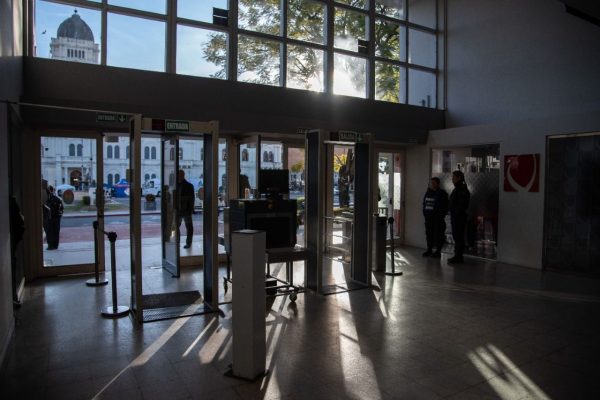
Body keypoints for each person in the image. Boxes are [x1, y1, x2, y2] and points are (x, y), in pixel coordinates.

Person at [422, 177, 448, 258]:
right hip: (428, 219)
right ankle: (429, 250)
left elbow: (446, 206)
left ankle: (438, 252)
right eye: (431, 183)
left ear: (438, 184)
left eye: (434, 183)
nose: (432, 184)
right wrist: (425, 214)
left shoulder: (442, 193)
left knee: (438, 235)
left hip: (438, 219)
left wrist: (440, 215)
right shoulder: (428, 193)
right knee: (429, 235)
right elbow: (424, 204)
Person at [448, 170, 470, 264]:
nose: (452, 179)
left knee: (458, 237)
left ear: (459, 178)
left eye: (454, 177)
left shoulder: (462, 189)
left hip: (459, 217)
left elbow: (462, 205)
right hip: (456, 216)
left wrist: (456, 213)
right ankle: (457, 255)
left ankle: (458, 257)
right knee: (456, 236)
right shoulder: (457, 188)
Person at [177, 170, 195, 249]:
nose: (179, 176)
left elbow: (191, 199)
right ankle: (182, 243)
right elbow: (192, 199)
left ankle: (185, 243)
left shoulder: (188, 186)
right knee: (187, 228)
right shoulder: (189, 185)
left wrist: (191, 209)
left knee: (188, 228)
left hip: (184, 210)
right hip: (182, 210)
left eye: (179, 175)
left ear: (183, 175)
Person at [44, 186, 64, 250]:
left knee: (51, 232)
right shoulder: (57, 199)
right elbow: (61, 209)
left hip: (52, 218)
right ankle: (54, 245)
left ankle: (51, 245)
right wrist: (59, 216)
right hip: (54, 218)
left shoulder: (47, 200)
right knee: (55, 232)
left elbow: (61, 209)